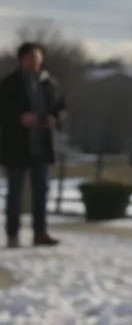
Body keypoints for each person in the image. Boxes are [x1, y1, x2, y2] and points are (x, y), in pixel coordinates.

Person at [0, 42, 65, 248]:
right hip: (16, 146)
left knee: (41, 191)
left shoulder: (50, 84)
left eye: (37, 56)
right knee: (15, 192)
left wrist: (56, 120)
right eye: (30, 57)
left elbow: (61, 108)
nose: (34, 60)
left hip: (41, 146)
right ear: (21, 60)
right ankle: (12, 234)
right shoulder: (10, 84)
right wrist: (19, 118)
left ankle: (40, 232)